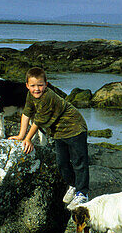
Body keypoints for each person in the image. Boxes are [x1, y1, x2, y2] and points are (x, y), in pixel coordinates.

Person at [10, 67, 89, 207]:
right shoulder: (30, 96)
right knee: (62, 162)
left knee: (79, 162)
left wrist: (28, 139)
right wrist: (21, 135)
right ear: (27, 86)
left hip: (75, 129)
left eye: (40, 85)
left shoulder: (48, 97)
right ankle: (73, 185)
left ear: (46, 84)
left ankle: (82, 193)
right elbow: (26, 114)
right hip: (58, 132)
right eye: (33, 86)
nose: (36, 89)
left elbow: (38, 121)